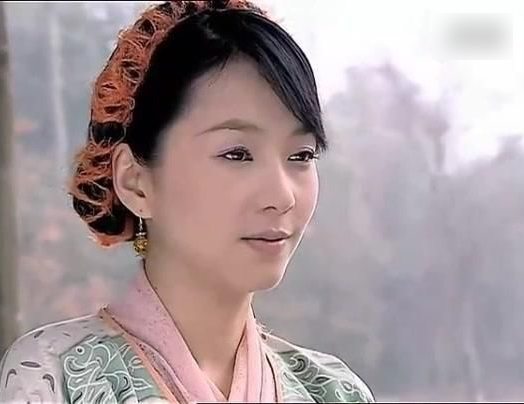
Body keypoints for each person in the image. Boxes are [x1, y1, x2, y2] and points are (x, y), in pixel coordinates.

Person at [0, 1, 375, 402]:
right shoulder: (52, 377)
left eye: (301, 155)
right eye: (237, 154)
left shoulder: (333, 391)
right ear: (135, 182)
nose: (282, 196)